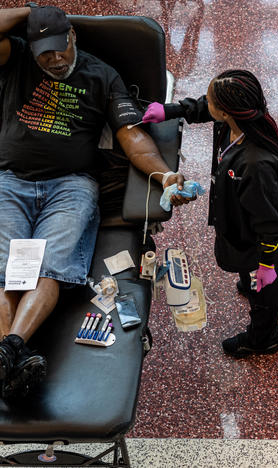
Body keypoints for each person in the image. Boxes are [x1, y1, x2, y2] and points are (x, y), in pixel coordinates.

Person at [0, 5, 192, 397]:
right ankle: (11, 358)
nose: (54, 59)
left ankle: (10, 348)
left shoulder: (102, 76)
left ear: (73, 37)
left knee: (49, 268)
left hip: (71, 186)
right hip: (9, 182)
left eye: (60, 48)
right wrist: (32, 12)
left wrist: (163, 174)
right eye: (44, 52)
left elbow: (133, 136)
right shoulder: (16, 56)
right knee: (4, 271)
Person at [142, 69, 278, 358]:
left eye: (211, 101)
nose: (206, 104)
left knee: (263, 285)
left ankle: (264, 338)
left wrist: (266, 266)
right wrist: (171, 110)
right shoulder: (237, 120)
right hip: (250, 215)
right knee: (276, 269)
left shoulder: (254, 163)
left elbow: (271, 226)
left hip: (255, 233)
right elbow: (202, 107)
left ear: (225, 111)